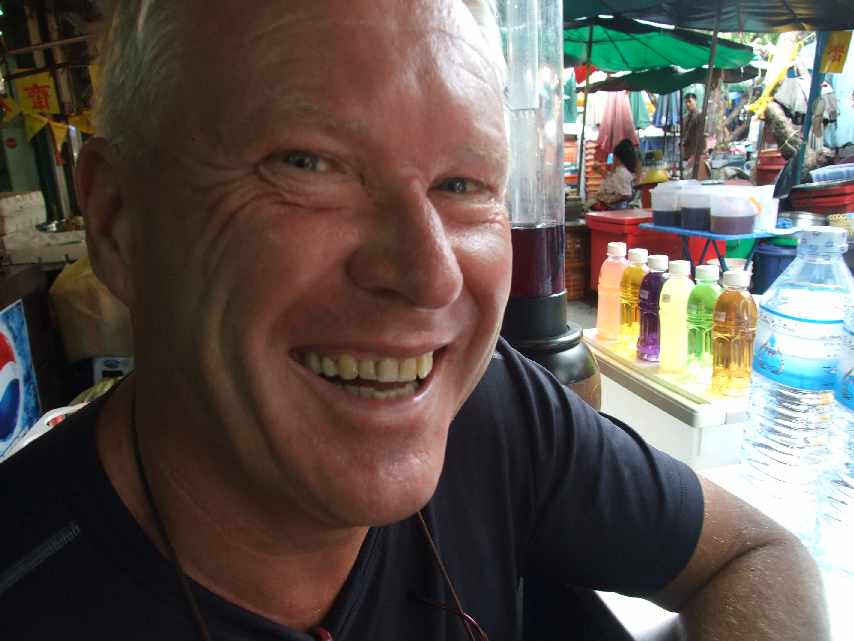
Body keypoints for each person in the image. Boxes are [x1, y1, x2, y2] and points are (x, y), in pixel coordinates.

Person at [0, 2, 829, 640]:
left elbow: (758, 554)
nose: (432, 276)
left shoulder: (491, 412)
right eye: (308, 163)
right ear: (118, 219)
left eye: (463, 184)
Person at [588, 138, 638, 210]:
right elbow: (610, 178)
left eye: (613, 157)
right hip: (613, 206)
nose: (612, 160)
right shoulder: (620, 171)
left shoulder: (621, 172)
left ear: (616, 158)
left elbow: (626, 194)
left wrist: (609, 200)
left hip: (614, 208)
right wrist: (600, 170)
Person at [682, 92, 709, 179]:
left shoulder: (700, 115)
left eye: (689, 101)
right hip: (687, 151)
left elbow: (704, 133)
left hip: (697, 150)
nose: (687, 104)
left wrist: (705, 148)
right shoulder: (685, 117)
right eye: (686, 102)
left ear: (695, 101)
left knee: (697, 174)